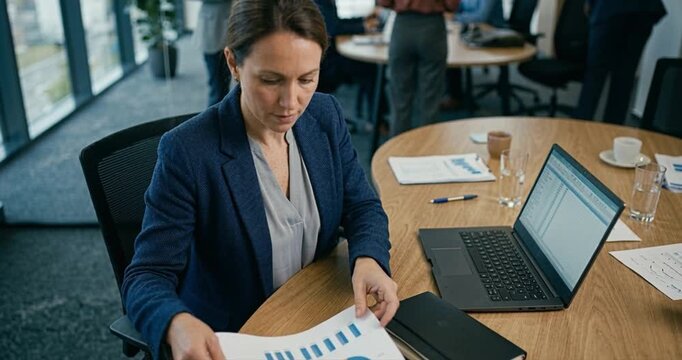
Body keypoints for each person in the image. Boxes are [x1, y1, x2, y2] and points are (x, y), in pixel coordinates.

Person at [122, 1, 399, 359]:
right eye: (271, 80)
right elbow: (146, 274)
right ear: (233, 63)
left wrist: (368, 258)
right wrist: (175, 321)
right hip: (239, 335)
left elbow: (361, 205)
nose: (291, 102)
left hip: (316, 317)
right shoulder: (188, 152)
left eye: (306, 79)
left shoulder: (324, 115)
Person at [574, 0, 666, 124]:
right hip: (642, 9)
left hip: (610, 8)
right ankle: (611, 134)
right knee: (624, 79)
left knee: (595, 76)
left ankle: (580, 130)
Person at [378, 0, 460, 137]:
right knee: (431, 100)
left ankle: (398, 151)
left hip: (402, 27)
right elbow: (452, 4)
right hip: (433, 28)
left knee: (399, 99)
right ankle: (426, 152)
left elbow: (384, 2)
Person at [442, 0, 505, 110]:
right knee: (449, 49)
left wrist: (454, 17)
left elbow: (481, 17)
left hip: (492, 35)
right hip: (473, 30)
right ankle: (453, 94)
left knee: (455, 52)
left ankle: (455, 97)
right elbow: (461, 6)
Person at [193, 0, 232, 106]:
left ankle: (224, 117)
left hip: (232, 24)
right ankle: (213, 120)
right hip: (211, 29)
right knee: (217, 86)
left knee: (226, 84)